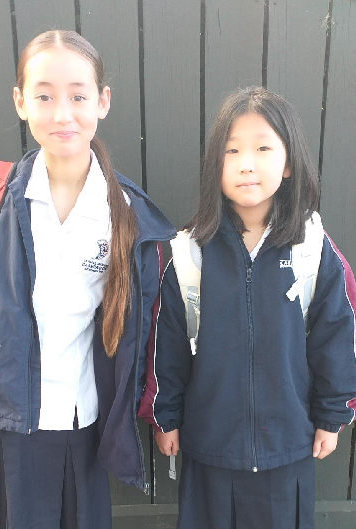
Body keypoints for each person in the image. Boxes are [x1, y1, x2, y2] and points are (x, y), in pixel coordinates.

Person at [0, 30, 175, 529]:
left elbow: (149, 329)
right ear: (20, 102)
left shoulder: (129, 216)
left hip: (81, 426)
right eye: (44, 96)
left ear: (103, 101)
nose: (62, 114)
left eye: (77, 96)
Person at [139, 86, 356, 529]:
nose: (246, 164)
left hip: (287, 450)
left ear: (288, 163)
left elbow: (337, 336)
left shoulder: (313, 250)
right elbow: (166, 346)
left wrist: (333, 415)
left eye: (263, 148)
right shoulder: (188, 254)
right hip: (209, 450)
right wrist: (166, 417)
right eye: (231, 150)